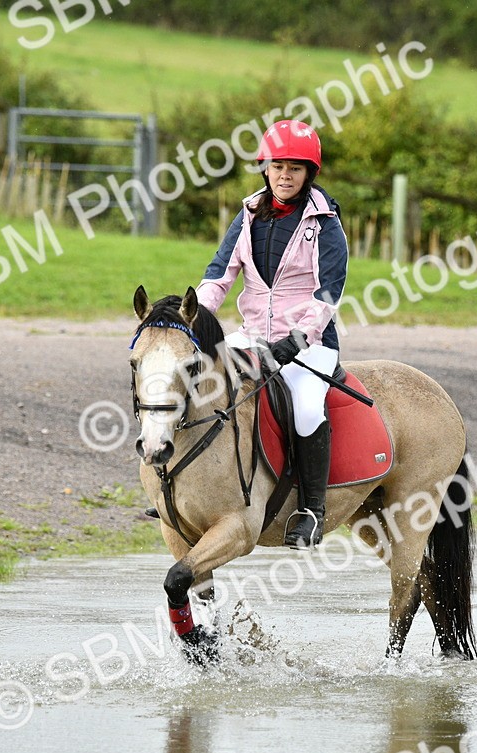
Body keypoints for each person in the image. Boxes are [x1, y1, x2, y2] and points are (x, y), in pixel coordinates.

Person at [195, 119, 349, 549]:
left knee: (304, 408)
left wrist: (297, 340)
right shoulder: (247, 215)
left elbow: (328, 294)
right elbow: (218, 276)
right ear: (266, 168)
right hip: (251, 338)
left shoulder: (326, 225)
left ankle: (311, 511)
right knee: (203, 386)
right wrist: (193, 317)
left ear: (308, 174)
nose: (285, 175)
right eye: (278, 166)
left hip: (308, 346)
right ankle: (196, 490)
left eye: (295, 169)